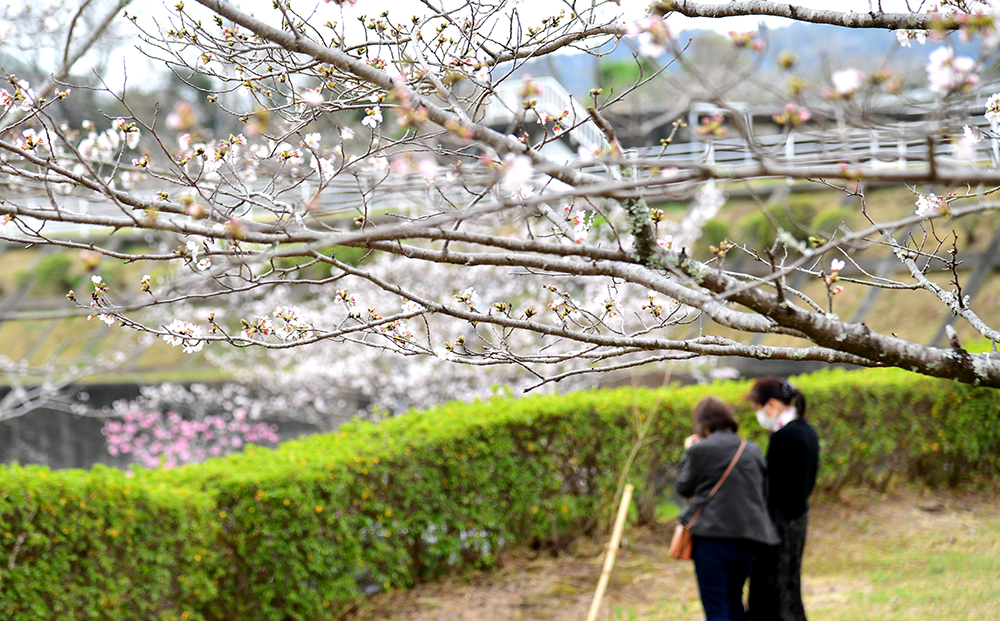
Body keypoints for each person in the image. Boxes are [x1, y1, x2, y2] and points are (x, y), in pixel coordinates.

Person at [676, 397, 779, 621]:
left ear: (703, 424)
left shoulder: (700, 449)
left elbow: (683, 487)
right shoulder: (751, 449)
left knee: (716, 608)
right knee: (734, 600)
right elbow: (764, 492)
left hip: (712, 540)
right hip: (749, 539)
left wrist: (688, 452)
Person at [746, 377, 820, 621]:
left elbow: (770, 488)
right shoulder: (807, 430)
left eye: (758, 408)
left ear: (772, 404)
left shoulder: (783, 438)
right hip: (798, 518)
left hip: (778, 522)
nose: (759, 414)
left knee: (770, 591)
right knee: (789, 586)